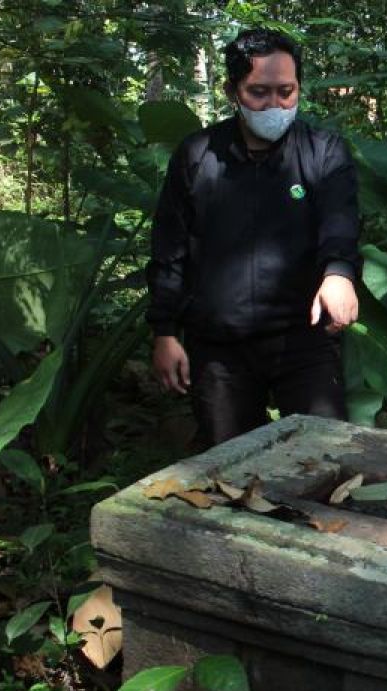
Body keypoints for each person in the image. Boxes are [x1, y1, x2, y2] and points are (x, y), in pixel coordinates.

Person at [146, 28, 360, 448]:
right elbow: (169, 247)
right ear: (232, 90)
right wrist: (164, 331)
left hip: (304, 340)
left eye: (286, 91)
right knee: (227, 470)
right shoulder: (198, 155)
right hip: (220, 348)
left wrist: (339, 273)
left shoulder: (323, 151)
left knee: (326, 458)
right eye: (259, 92)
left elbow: (341, 223)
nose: (276, 105)